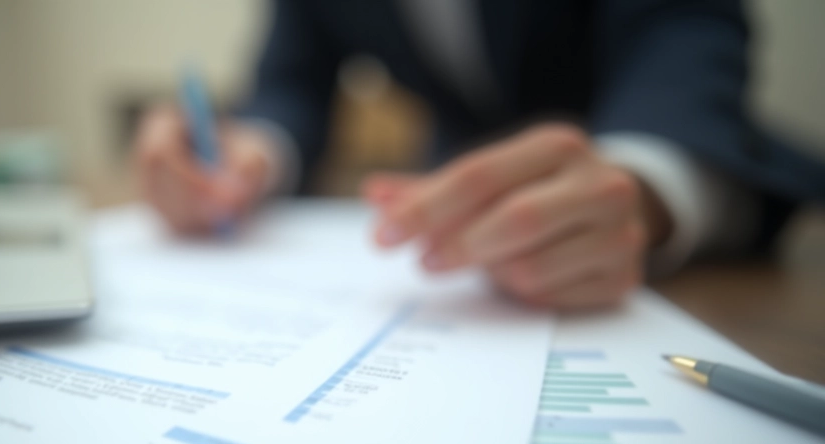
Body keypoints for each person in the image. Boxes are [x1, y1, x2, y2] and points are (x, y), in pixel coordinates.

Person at [133, 0, 824, 309]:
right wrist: (249, 152)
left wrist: (643, 177)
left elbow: (683, 23)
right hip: (463, 221)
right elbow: (291, 83)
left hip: (689, 200)